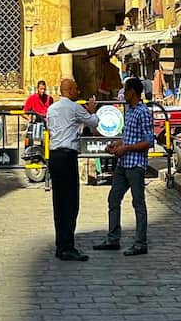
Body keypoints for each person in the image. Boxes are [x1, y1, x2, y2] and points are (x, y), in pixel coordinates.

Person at [93, 77, 154, 256]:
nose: (123, 94)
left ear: (133, 92)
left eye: (125, 90)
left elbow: (148, 141)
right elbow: (128, 137)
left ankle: (140, 243)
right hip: (123, 164)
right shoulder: (129, 111)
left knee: (138, 203)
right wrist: (116, 144)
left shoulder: (143, 112)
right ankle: (113, 238)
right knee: (113, 199)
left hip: (135, 164)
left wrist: (126, 148)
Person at [44, 77, 101, 261]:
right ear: (69, 91)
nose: (79, 91)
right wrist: (91, 110)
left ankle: (61, 244)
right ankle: (67, 246)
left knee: (59, 203)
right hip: (67, 156)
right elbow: (93, 122)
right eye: (76, 89)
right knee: (70, 202)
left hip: (54, 156)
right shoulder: (74, 107)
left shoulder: (51, 109)